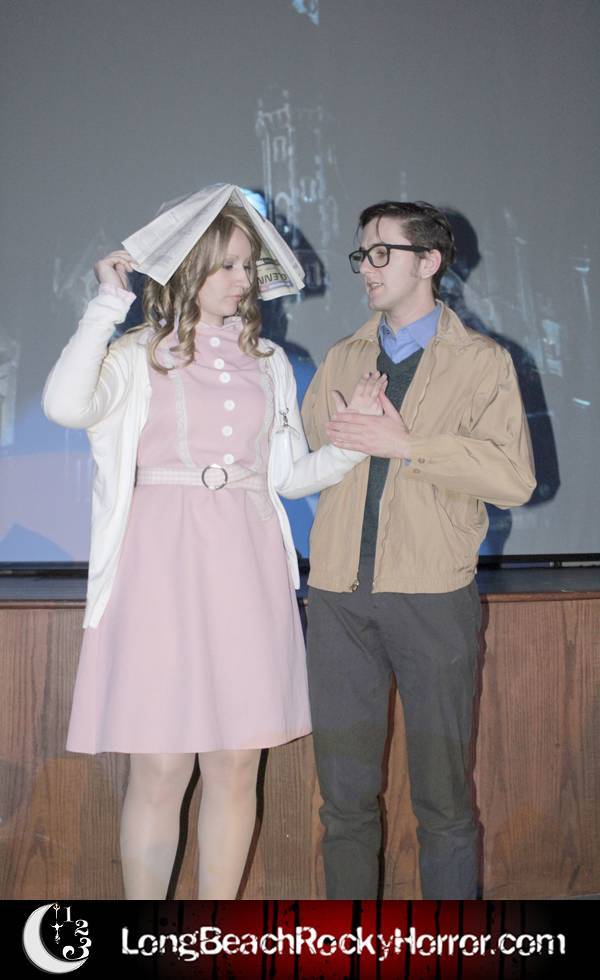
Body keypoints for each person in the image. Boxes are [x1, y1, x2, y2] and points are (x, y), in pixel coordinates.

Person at [42, 191, 385, 900]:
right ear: (188, 267)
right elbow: (64, 406)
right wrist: (106, 304)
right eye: (226, 265)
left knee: (235, 763)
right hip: (158, 568)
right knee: (162, 767)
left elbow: (286, 477)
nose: (241, 279)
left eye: (247, 265)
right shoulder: (138, 354)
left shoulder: (270, 362)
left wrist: (351, 444)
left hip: (247, 564)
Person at [301, 200, 536, 899]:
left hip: (433, 600)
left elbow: (514, 479)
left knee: (444, 804)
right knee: (343, 802)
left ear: (429, 262)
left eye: (383, 254)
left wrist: (407, 444)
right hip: (338, 599)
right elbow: (308, 460)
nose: (366, 268)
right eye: (362, 255)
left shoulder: (483, 362)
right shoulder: (343, 357)